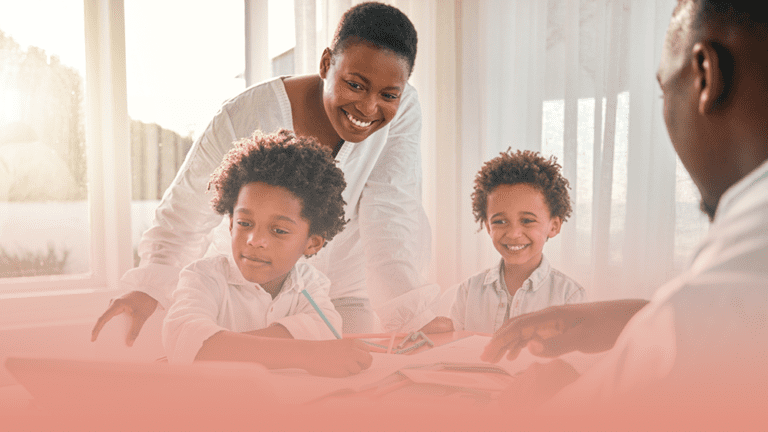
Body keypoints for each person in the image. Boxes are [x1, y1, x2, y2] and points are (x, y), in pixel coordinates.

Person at [481, 0, 768, 419]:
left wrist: (548, 398)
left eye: (663, 90)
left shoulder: (737, 274)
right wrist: (631, 320)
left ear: (706, 74)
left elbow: (704, 325)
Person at [92, 2, 435, 345]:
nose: (368, 107)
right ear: (327, 63)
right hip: (246, 285)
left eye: (387, 94)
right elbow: (185, 213)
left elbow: (392, 212)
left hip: (343, 288)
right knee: (248, 377)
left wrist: (414, 313)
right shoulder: (247, 115)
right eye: (355, 85)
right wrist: (147, 286)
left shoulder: (401, 109)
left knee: (350, 380)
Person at [163, 129, 372, 377]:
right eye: (245, 223)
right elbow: (191, 345)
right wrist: (306, 353)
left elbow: (325, 332)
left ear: (312, 243)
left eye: (279, 230)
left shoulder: (310, 286)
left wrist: (212, 348)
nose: (255, 240)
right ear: (230, 224)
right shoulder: (203, 278)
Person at [420, 150, 585, 334]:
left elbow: (572, 359)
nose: (514, 233)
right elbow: (455, 346)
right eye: (500, 221)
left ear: (553, 226)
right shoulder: (469, 290)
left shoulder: (569, 295)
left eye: (527, 220)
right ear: (489, 227)